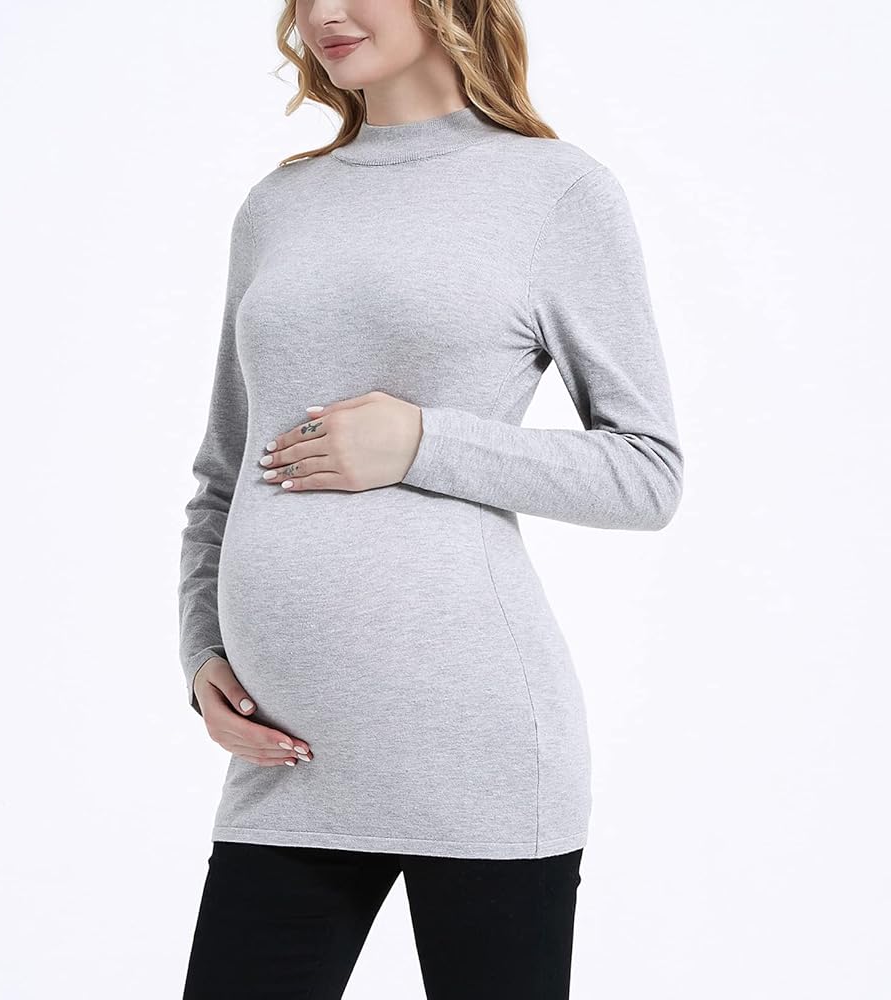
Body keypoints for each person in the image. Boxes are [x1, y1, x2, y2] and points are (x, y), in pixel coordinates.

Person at [176, 1, 683, 997]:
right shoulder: (279, 204)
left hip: (476, 753)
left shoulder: (555, 191)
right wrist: (201, 657)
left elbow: (646, 472)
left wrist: (422, 442)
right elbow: (222, 475)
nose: (323, 13)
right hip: (288, 764)